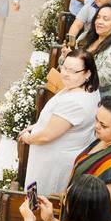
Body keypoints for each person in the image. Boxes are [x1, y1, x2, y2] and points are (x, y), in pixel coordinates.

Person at [20, 49, 101, 196]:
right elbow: (57, 121)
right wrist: (36, 126)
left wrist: (28, 138)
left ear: (87, 73)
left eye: (73, 71)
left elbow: (47, 136)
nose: (65, 74)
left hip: (52, 162)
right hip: (51, 155)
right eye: (65, 67)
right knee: (35, 192)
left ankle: (33, 210)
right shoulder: (85, 88)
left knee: (40, 197)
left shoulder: (76, 102)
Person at [70, 3, 111, 97]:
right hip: (73, 89)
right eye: (98, 17)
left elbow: (103, 80)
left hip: (99, 97)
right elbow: (64, 64)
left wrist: (76, 64)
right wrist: (66, 56)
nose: (99, 22)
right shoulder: (86, 36)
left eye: (105, 19)